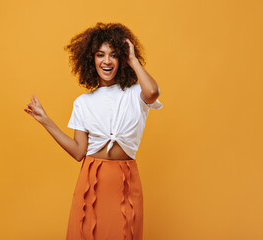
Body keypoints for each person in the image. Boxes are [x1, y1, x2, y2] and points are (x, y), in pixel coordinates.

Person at [23, 22, 162, 240]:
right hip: (92, 180)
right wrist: (46, 120)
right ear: (91, 60)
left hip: (125, 180)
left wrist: (133, 59)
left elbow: (153, 92)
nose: (107, 61)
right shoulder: (83, 102)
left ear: (122, 60)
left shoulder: (136, 93)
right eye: (100, 54)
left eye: (114, 55)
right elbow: (79, 152)